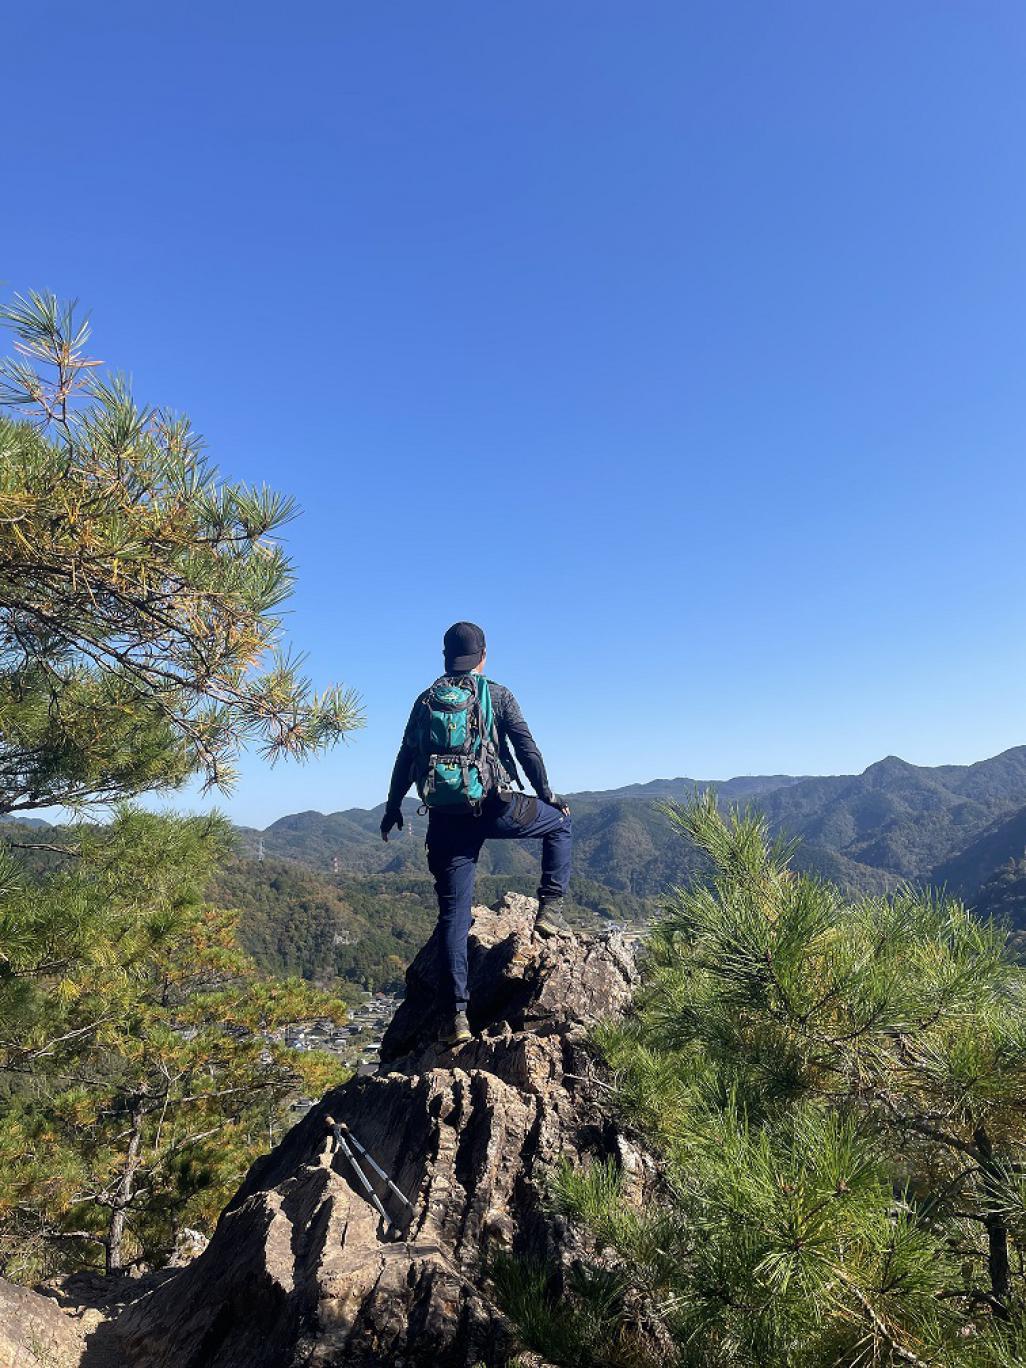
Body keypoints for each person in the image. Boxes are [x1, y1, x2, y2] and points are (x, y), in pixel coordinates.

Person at [381, 622, 573, 1047]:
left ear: (445, 657)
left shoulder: (425, 700)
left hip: (446, 817)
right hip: (494, 807)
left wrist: (393, 807)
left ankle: (456, 1019)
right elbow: (526, 748)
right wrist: (546, 794)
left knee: (453, 916)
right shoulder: (496, 694)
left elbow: (405, 758)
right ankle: (549, 912)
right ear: (483, 654)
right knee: (561, 825)